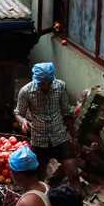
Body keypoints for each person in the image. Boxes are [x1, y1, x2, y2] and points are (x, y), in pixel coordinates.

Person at [15, 62, 80, 190]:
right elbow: (18, 113)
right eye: (41, 83)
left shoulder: (60, 87)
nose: (45, 86)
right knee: (38, 179)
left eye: (48, 82)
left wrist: (73, 136)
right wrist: (22, 121)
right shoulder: (26, 91)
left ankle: (77, 204)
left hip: (59, 136)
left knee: (73, 173)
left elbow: (66, 112)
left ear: (52, 79)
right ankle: (42, 204)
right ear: (36, 80)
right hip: (39, 140)